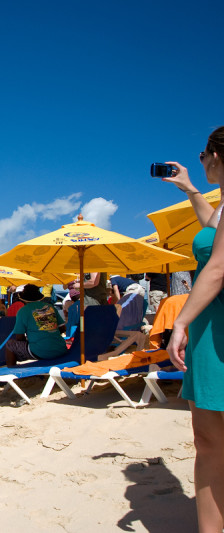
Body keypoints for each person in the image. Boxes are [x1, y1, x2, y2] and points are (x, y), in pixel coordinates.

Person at [164, 127, 224, 532]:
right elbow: (211, 229)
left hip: (213, 324)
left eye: (203, 155)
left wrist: (180, 321)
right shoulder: (220, 206)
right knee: (211, 441)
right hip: (212, 323)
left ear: (217, 155)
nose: (200, 162)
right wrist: (190, 189)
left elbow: (218, 265)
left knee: (211, 440)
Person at [4, 284, 67, 367]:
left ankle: (11, 371)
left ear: (23, 298)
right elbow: (62, 328)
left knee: (10, 344)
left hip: (40, 352)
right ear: (39, 297)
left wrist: (32, 338)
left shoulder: (23, 311)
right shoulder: (50, 307)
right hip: (60, 349)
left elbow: (19, 337)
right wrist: (48, 332)